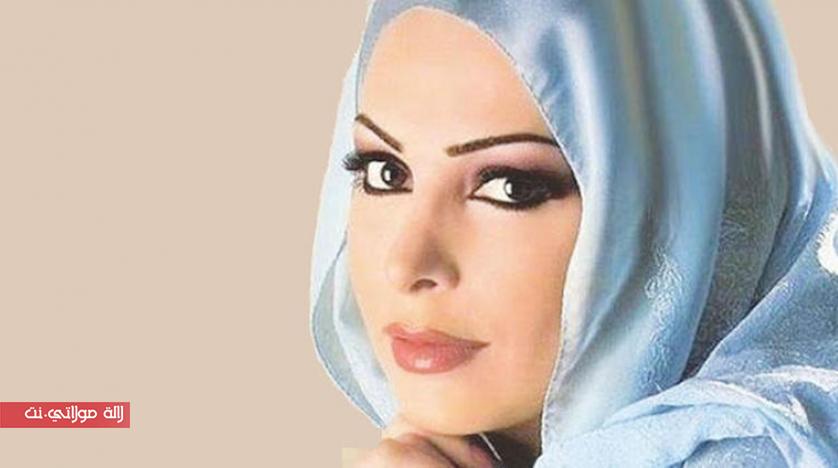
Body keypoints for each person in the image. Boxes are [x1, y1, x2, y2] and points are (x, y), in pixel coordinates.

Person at [309, 1, 838, 466]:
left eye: (511, 187)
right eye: (385, 172)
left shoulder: (768, 451)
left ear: (684, 211)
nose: (405, 264)